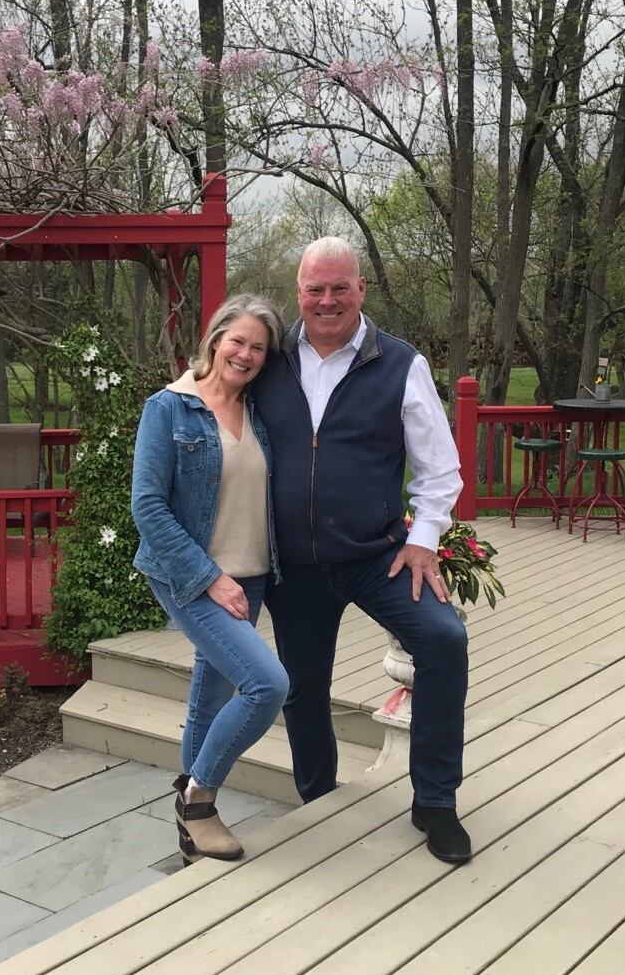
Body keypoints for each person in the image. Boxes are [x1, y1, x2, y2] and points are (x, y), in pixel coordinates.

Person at [252, 237, 472, 864]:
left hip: (379, 556)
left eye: (339, 288)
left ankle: (435, 801)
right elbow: (213, 396)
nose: (327, 300)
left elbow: (441, 468)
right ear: (298, 294)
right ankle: (317, 797)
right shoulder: (270, 360)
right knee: (302, 687)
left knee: (443, 642)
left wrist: (425, 540)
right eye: (314, 289)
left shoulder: (400, 363)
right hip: (292, 564)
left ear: (360, 290)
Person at [132, 294, 289, 863]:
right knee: (267, 685)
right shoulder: (169, 408)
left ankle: (188, 833)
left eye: (258, 348)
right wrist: (210, 579)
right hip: (191, 577)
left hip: (252, 575)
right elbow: (147, 507)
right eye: (238, 341)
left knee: (211, 694)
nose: (245, 355)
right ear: (215, 339)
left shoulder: (258, 414)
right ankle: (197, 800)